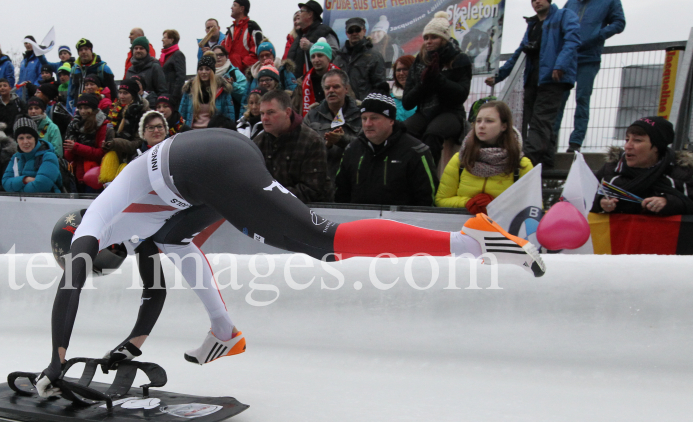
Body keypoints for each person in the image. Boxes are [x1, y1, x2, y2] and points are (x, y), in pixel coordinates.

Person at [33, 127, 545, 397]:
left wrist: (57, 359)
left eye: (98, 262)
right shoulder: (142, 234)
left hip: (203, 164)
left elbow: (71, 284)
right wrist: (133, 345)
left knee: (322, 241)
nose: (105, 264)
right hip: (204, 169)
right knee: (179, 245)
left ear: (81, 240)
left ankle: (470, 241)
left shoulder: (101, 214)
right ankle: (224, 331)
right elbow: (158, 288)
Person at [488, 0, 580, 170]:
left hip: (554, 79)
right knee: (529, 120)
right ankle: (546, 159)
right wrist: (499, 75)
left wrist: (560, 65)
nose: (537, 1)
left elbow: (572, 40)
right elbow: (519, 53)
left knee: (541, 121)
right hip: (532, 79)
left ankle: (526, 161)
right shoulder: (533, 24)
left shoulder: (564, 16)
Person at [557, 0, 626, 152]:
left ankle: (575, 143)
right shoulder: (572, 1)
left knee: (582, 98)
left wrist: (596, 36)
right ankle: (550, 141)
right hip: (566, 59)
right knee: (558, 100)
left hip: (589, 57)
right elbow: (559, 25)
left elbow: (619, 23)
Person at [335, 92, 437, 206]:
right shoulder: (352, 150)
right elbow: (341, 194)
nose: (368, 124)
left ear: (391, 120)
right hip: (360, 221)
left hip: (400, 221)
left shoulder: (416, 151)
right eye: (364, 118)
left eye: (374, 118)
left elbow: (427, 199)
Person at [435, 101, 533, 213]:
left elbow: (532, 207)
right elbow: (441, 200)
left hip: (501, 229)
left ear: (504, 126)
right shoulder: (460, 159)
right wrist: (469, 202)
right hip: (463, 227)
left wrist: (495, 204)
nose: (481, 126)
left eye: (489, 121)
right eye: (478, 121)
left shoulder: (521, 165)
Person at [402, 12, 473, 166]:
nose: (428, 41)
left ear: (444, 38)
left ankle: (428, 178)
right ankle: (405, 172)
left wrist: (438, 79)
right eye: (426, 38)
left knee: (432, 133)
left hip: (451, 113)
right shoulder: (420, 60)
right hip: (424, 112)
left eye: (434, 37)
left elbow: (461, 94)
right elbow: (407, 101)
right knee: (401, 131)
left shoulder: (460, 59)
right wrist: (424, 83)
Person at [591, 116, 693, 216]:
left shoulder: (681, 172)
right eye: (627, 140)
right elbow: (584, 199)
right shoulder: (610, 170)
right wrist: (601, 203)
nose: (628, 146)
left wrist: (668, 202)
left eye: (637, 140)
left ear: (657, 146)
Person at [254, 90, 331, 202]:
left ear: (287, 112)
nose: (264, 118)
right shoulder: (257, 143)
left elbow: (312, 190)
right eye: (262, 113)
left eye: (270, 112)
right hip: (269, 209)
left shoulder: (311, 141)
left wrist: (271, 196)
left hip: (310, 212)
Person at [303, 70, 363, 182]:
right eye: (327, 88)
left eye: (336, 87)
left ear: (346, 89)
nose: (331, 91)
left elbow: (365, 147)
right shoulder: (312, 116)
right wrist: (326, 144)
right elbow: (303, 148)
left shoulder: (360, 115)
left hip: (353, 179)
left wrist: (343, 140)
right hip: (320, 180)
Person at [64, 94, 114, 193]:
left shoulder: (103, 125)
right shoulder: (74, 125)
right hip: (77, 175)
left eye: (86, 108)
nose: (83, 111)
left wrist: (76, 147)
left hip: (95, 176)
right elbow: (68, 156)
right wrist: (71, 149)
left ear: (94, 109)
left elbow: (101, 153)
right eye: (80, 108)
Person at [332, 17, 387, 104]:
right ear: (347, 34)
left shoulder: (375, 56)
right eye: (351, 31)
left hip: (364, 109)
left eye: (357, 30)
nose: (354, 33)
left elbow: (380, 88)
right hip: (342, 108)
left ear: (364, 31)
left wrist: (369, 106)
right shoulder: (339, 58)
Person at [2, 118, 62, 193]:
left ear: (35, 138)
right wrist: (25, 180)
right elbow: (5, 183)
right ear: (16, 140)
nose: (25, 142)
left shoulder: (49, 156)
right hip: (22, 204)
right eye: (21, 138)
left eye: (29, 137)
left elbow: (41, 186)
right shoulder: (15, 158)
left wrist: (18, 190)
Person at [179, 53, 235, 130]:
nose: (203, 72)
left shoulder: (223, 90)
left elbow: (229, 116)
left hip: (213, 133)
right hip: (192, 132)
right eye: (201, 69)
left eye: (207, 69)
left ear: (213, 71)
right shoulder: (189, 90)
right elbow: (182, 115)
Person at [287, 0, 340, 79]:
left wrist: (311, 47)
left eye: (301, 11)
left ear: (310, 14)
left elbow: (335, 54)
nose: (298, 14)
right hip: (298, 85)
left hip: (318, 82)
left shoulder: (325, 32)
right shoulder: (298, 37)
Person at [68, 39, 117, 114]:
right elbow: (70, 92)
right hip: (77, 109)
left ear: (91, 50)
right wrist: (70, 110)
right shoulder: (75, 69)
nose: (83, 52)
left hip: (98, 109)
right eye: (81, 50)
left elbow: (113, 92)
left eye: (86, 49)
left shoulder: (103, 68)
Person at [300, 38, 338, 117]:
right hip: (311, 125)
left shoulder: (341, 78)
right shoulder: (303, 81)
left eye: (320, 55)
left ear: (328, 58)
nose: (316, 59)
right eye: (313, 57)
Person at [225, 0, 263, 71]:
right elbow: (223, 50)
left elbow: (257, 51)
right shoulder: (230, 30)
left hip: (246, 74)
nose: (231, 8)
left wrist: (242, 65)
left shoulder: (252, 27)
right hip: (230, 74)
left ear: (242, 8)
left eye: (234, 5)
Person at [211, 45, 248, 116]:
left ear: (226, 57)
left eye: (221, 55)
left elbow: (245, 96)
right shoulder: (208, 74)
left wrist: (232, 85)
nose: (218, 57)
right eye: (215, 55)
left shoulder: (235, 73)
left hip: (233, 115)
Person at [160, 30, 186, 104]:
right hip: (164, 92)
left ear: (171, 39)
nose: (162, 40)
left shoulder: (178, 55)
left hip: (172, 94)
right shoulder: (164, 56)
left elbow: (181, 76)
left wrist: (175, 96)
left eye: (165, 37)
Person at [390, 56, 416, 122]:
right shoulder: (389, 97)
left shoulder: (423, 95)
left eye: (405, 69)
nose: (401, 73)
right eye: (398, 70)